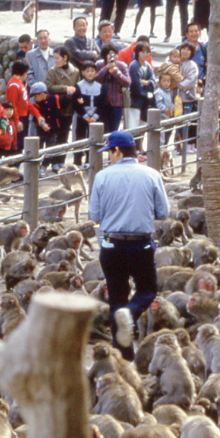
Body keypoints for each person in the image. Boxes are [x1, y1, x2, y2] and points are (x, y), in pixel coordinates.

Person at [88, 129, 169, 355]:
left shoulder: (102, 177)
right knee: (147, 289)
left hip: (111, 244)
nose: (109, 158)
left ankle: (122, 357)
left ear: (117, 151)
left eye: (109, 153)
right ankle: (131, 312)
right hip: (140, 244)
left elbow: (94, 215)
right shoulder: (152, 174)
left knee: (116, 298)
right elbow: (163, 212)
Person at [45, 45, 81, 169]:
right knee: (55, 136)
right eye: (54, 58)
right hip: (56, 108)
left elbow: (78, 86)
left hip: (69, 108)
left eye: (57, 58)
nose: (55, 61)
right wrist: (65, 88)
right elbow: (49, 87)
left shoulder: (75, 71)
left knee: (65, 136)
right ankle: (53, 162)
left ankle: (61, 160)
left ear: (65, 58)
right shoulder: (52, 71)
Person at [5, 59, 48, 141]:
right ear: (24, 73)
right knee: (18, 146)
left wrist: (38, 115)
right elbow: (12, 105)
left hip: (23, 118)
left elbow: (26, 103)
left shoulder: (20, 83)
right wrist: (17, 121)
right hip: (18, 119)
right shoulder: (13, 85)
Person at [96, 43, 131, 134]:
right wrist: (106, 68)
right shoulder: (99, 64)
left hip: (117, 103)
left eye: (115, 54)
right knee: (101, 129)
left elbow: (127, 82)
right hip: (101, 102)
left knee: (114, 130)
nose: (113, 56)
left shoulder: (122, 65)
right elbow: (95, 79)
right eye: (110, 54)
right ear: (104, 54)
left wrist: (116, 72)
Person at [74, 59, 102, 153]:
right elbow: (75, 104)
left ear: (95, 72)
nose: (90, 73)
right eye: (87, 71)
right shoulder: (78, 86)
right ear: (83, 72)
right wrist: (85, 116)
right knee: (80, 138)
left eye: (92, 71)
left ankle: (89, 160)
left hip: (95, 117)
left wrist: (95, 116)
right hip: (82, 117)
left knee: (93, 138)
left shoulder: (99, 86)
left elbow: (103, 104)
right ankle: (77, 159)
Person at [129, 41, 156, 124]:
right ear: (137, 53)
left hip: (145, 102)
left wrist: (147, 83)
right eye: (143, 52)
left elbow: (153, 81)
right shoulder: (134, 65)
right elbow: (136, 86)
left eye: (148, 52)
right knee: (133, 125)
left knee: (143, 125)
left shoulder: (147, 65)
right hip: (135, 101)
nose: (146, 54)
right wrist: (148, 86)